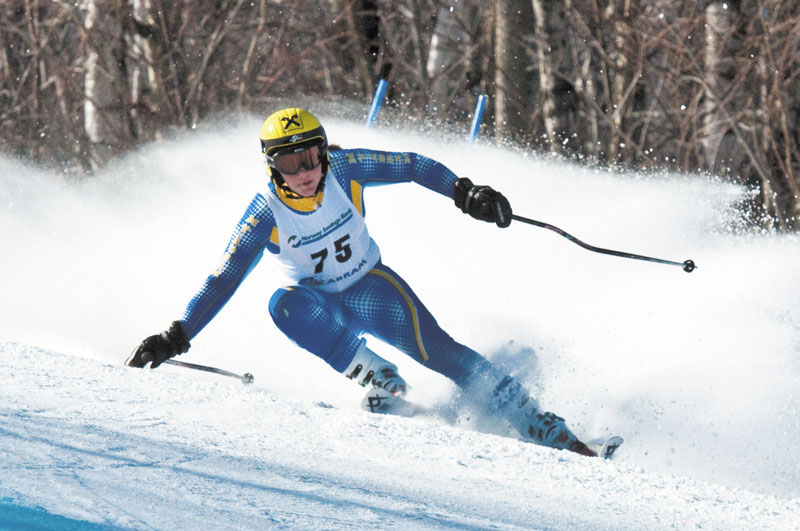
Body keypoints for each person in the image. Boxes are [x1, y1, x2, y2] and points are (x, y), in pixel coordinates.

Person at [126, 107, 598, 456]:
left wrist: (464, 191)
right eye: (291, 164)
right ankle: (382, 381)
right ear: (272, 166)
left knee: (442, 352)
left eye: (311, 156)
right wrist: (176, 336)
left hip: (373, 291)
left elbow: (411, 164)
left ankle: (541, 424)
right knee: (281, 304)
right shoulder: (263, 214)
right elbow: (223, 279)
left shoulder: (345, 168)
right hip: (317, 307)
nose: (306, 172)